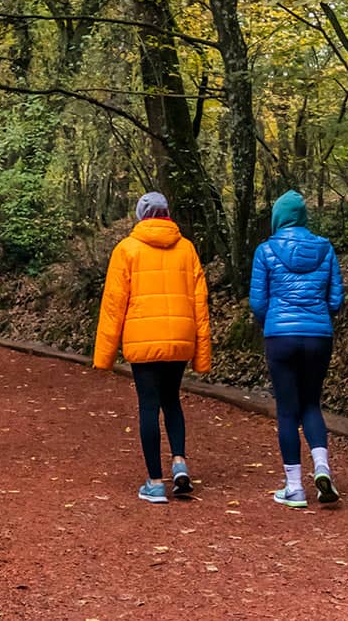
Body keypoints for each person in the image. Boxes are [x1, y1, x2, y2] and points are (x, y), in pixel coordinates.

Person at [92, 192, 213, 504]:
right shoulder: (187, 249)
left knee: (148, 405)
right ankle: (179, 462)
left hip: (143, 338)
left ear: (140, 215)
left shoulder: (126, 250)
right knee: (172, 400)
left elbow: (113, 305)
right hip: (180, 339)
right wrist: (202, 354)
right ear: (167, 214)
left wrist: (104, 356)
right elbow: (200, 302)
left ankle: (155, 482)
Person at [249, 190, 345, 509]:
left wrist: (274, 322)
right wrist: (317, 317)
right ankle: (322, 470)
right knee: (312, 404)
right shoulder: (326, 248)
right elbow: (336, 301)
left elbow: (258, 302)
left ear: (278, 218)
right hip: (319, 336)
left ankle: (294, 488)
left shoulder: (265, 250)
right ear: (303, 217)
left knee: (288, 411)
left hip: (281, 338)